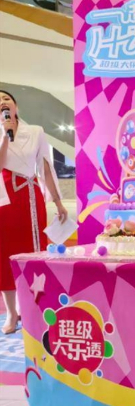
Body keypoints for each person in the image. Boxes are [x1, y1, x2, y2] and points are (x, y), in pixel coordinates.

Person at [1, 90, 67, 334]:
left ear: (15, 105)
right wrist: (5, 135)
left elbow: (45, 169)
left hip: (30, 197)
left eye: (5, 99)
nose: (2, 103)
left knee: (34, 252)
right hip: (5, 199)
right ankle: (11, 312)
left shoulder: (36, 131)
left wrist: (58, 202)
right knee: (5, 254)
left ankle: (34, 307)